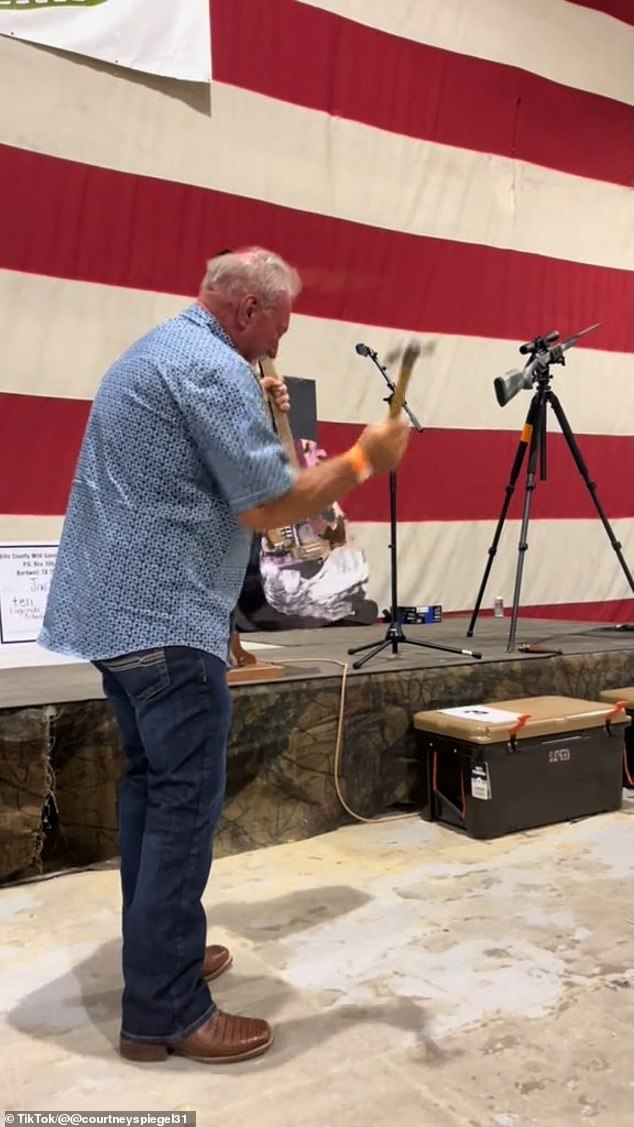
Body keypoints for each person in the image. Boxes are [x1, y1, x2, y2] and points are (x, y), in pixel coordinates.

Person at [39, 247, 410, 1065]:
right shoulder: (209, 370)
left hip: (118, 617)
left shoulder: (169, 349)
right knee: (181, 809)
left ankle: (157, 953)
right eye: (279, 322)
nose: (284, 336)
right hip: (167, 620)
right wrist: (362, 461)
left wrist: (269, 409)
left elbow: (248, 476)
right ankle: (166, 1008)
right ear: (246, 309)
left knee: (150, 793)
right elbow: (271, 505)